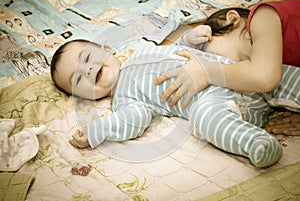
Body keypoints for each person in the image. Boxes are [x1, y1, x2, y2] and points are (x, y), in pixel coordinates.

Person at [50, 39, 300, 167]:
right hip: (214, 101)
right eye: (78, 78)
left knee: (279, 74)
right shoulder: (124, 98)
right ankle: (255, 142)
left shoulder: (141, 47)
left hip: (237, 72)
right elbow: (132, 121)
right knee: (203, 121)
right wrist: (98, 129)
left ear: (107, 49)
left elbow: (177, 49)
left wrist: (191, 40)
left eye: (88, 58)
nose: (89, 69)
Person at [155, 0, 300, 136]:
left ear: (232, 20)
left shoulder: (264, 16)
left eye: (214, 58)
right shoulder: (279, 65)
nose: (221, 64)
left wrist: (208, 72)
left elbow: (264, 77)